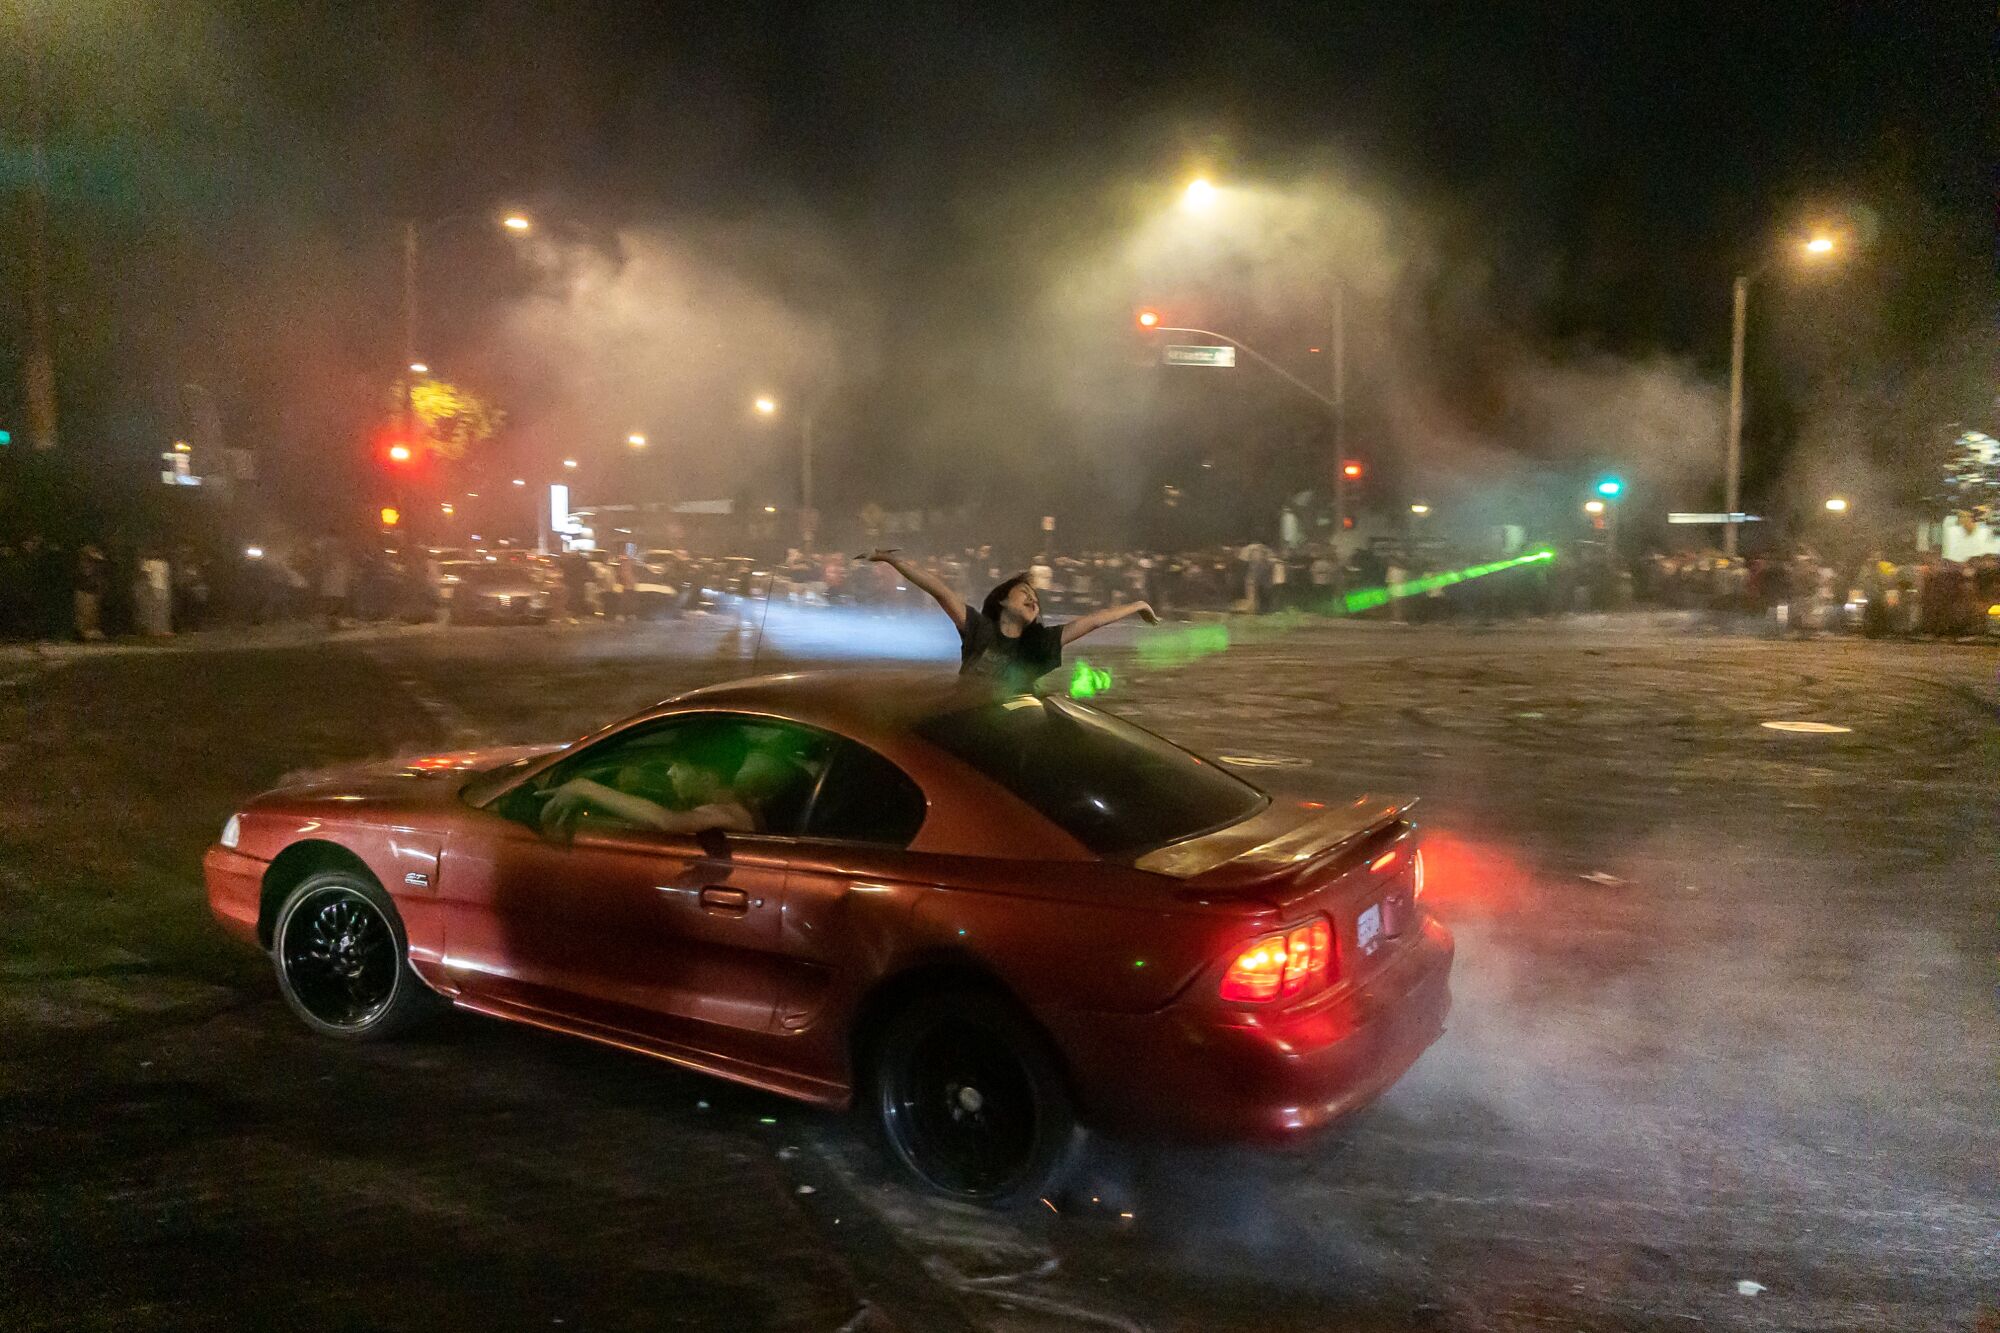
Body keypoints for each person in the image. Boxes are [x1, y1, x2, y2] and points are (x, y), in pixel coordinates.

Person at [868, 549, 1156, 693]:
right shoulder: (979, 630)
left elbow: (1093, 621)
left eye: (1035, 598)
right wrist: (892, 560)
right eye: (1025, 593)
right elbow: (940, 591)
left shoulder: (1039, 645)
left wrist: (1139, 605)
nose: (1033, 599)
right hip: (965, 726)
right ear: (1003, 601)